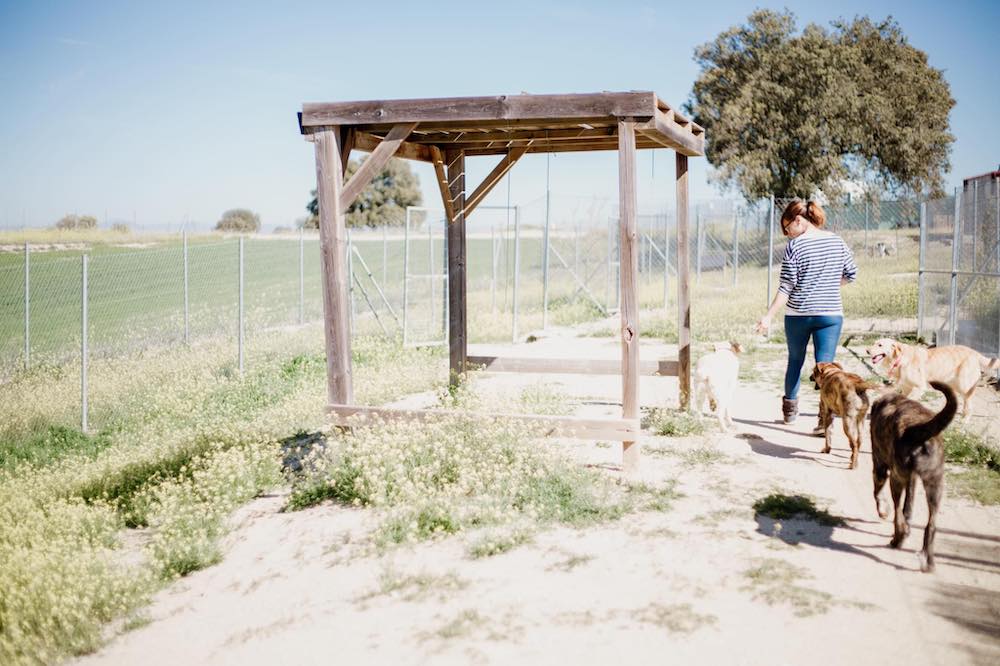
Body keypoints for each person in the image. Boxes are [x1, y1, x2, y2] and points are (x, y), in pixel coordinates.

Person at [754, 200, 857, 428]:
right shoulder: (837, 241)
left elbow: (786, 286)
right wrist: (827, 286)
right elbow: (851, 273)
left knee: (795, 361)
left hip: (798, 315)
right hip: (830, 315)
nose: (787, 233)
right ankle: (824, 420)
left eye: (787, 227)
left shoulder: (795, 246)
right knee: (826, 367)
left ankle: (790, 412)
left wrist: (769, 316)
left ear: (799, 220)